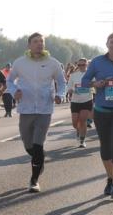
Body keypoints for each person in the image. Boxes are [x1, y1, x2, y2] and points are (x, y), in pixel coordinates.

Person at [4, 33, 67, 191]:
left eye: (41, 42)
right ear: (29, 45)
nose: (39, 44)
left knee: (38, 145)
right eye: (35, 41)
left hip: (45, 109)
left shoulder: (53, 63)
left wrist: (60, 95)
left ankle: (34, 180)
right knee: (28, 146)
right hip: (26, 108)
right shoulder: (20, 63)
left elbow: (61, 81)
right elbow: (9, 81)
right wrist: (14, 91)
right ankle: (39, 158)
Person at [80, 33, 113, 200]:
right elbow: (84, 81)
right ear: (107, 44)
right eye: (112, 42)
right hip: (102, 110)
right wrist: (95, 84)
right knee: (106, 146)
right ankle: (110, 178)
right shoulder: (97, 61)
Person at [66, 58, 93, 148]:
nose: (81, 67)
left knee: (82, 120)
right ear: (77, 66)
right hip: (75, 101)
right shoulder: (73, 75)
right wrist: (70, 90)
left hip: (87, 100)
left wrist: (93, 86)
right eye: (79, 65)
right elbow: (69, 86)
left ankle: (82, 140)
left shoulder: (91, 74)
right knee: (75, 123)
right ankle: (78, 130)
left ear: (86, 65)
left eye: (83, 65)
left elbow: (95, 84)